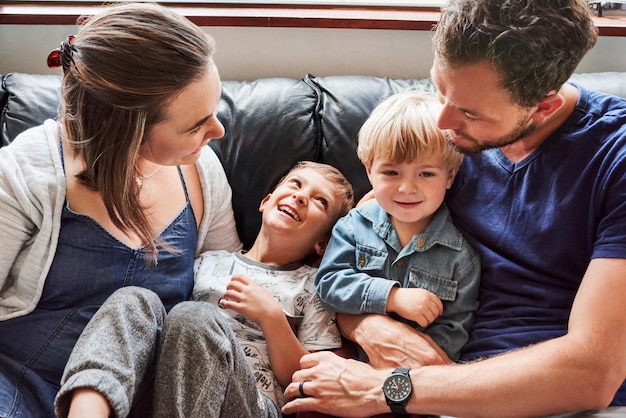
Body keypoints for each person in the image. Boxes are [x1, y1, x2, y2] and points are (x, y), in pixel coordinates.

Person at [281, 0, 626, 417]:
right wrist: (370, 324)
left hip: (553, 399)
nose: (443, 122)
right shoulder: (437, 150)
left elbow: (590, 374)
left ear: (543, 108)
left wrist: (386, 389)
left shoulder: (614, 160)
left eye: (467, 112)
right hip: (431, 380)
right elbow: (360, 251)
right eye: (438, 88)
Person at [0, 3, 242, 418]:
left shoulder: (202, 172)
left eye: (215, 111)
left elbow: (227, 290)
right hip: (26, 383)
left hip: (156, 395)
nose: (218, 132)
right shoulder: (24, 173)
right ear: (126, 130)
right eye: (195, 124)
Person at [57, 161, 354, 417]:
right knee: (135, 299)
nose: (301, 196)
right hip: (169, 393)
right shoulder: (207, 262)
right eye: (296, 184)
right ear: (266, 201)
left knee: (193, 316)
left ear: (323, 244)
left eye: (320, 201)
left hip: (249, 403)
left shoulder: (316, 287)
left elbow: (307, 379)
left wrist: (272, 318)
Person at [315, 91, 480, 363]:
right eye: (391, 173)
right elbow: (328, 284)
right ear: (369, 171)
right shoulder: (353, 227)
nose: (406, 188)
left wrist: (406, 364)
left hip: (413, 375)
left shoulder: (461, 259)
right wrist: (392, 297)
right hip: (347, 359)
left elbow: (453, 331)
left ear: (449, 176)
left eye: (425, 173)